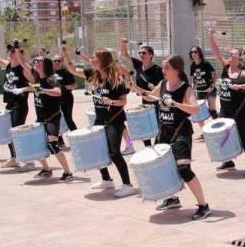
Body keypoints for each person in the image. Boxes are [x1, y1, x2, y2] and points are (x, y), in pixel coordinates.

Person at [131, 54, 211, 220]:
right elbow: (149, 96)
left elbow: (195, 109)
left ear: (177, 70)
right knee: (164, 167)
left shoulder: (185, 88)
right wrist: (136, 89)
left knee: (184, 169)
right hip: (164, 132)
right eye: (163, 67)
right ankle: (172, 198)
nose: (163, 70)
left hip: (181, 133)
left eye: (167, 67)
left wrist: (175, 103)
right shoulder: (162, 84)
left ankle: (203, 205)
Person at [63, 44, 137, 197]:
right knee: (97, 150)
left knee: (114, 152)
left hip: (114, 120)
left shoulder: (115, 79)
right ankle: (106, 179)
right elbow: (72, 70)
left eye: (95, 57)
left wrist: (112, 102)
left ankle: (127, 185)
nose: (92, 59)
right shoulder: (94, 74)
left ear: (103, 60)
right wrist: (66, 55)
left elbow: (123, 102)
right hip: (100, 119)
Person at [207, 29, 245, 175]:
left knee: (243, 136)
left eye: (233, 53)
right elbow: (216, 52)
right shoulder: (226, 68)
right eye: (230, 53)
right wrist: (210, 37)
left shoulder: (243, 74)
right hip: (225, 109)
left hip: (240, 111)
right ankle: (229, 161)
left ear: (239, 57)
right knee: (224, 134)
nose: (230, 55)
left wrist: (240, 86)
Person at [0, 37, 33, 170]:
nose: (9, 53)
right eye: (9, 50)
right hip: (10, 104)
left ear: (18, 53)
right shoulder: (7, 65)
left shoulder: (23, 69)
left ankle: (29, 160)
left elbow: (34, 82)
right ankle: (14, 158)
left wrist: (22, 89)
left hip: (20, 105)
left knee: (17, 132)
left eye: (12, 51)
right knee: (9, 133)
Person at [22, 56, 74, 181]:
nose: (35, 62)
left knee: (53, 145)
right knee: (35, 144)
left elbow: (58, 92)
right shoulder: (36, 77)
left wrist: (42, 90)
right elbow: (23, 65)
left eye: (38, 61)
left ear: (45, 64)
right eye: (34, 60)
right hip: (41, 118)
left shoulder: (52, 78)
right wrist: (23, 89)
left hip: (52, 117)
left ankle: (68, 172)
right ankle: (46, 169)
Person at [120, 39, 163, 148]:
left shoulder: (158, 70)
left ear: (151, 55)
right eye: (139, 53)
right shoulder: (138, 65)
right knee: (145, 126)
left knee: (158, 127)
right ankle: (148, 148)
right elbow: (125, 55)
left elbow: (161, 91)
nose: (141, 55)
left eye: (144, 53)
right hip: (144, 101)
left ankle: (157, 146)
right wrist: (123, 44)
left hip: (157, 102)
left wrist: (155, 89)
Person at [189, 45, 219, 132]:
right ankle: (205, 131)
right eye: (191, 52)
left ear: (199, 53)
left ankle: (219, 127)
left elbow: (215, 75)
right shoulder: (192, 65)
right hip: (200, 91)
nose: (193, 54)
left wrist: (212, 85)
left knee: (212, 110)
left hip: (209, 89)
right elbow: (194, 79)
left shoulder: (206, 63)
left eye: (195, 52)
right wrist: (192, 90)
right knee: (198, 112)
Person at [53, 53, 78, 145]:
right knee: (56, 119)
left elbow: (75, 85)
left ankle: (76, 138)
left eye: (58, 61)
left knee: (68, 118)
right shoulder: (50, 73)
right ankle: (60, 141)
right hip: (55, 100)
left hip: (67, 98)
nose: (56, 63)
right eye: (54, 61)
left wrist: (66, 87)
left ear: (62, 62)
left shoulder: (66, 72)